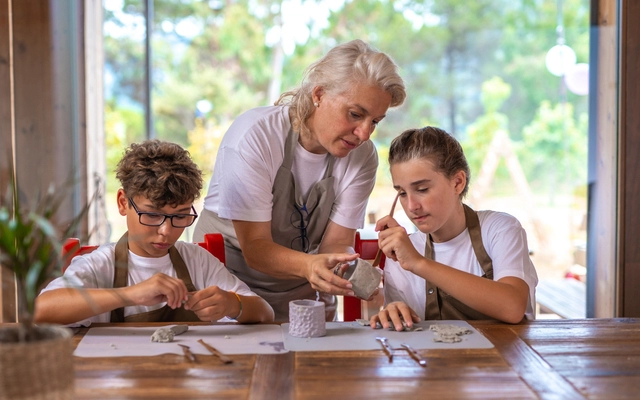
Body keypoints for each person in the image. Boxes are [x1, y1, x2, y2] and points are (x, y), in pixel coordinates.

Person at [193, 39, 406, 320]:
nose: (365, 134)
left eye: (375, 121)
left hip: (304, 294)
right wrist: (310, 266)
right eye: (355, 114)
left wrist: (357, 274)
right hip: (230, 293)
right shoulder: (256, 135)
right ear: (319, 94)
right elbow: (256, 249)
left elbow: (336, 244)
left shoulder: (362, 156)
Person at [35, 140, 274, 326]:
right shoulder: (100, 265)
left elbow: (265, 312)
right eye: (151, 214)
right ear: (122, 203)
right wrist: (129, 295)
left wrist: (233, 305)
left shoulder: (197, 261)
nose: (166, 232)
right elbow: (41, 311)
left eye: (180, 216)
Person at [370, 126, 538, 331]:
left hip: (505, 360)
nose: (412, 206)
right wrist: (394, 310)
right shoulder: (402, 253)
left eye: (422, 189)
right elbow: (404, 327)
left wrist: (419, 263)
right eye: (402, 193)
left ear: (458, 182)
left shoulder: (499, 229)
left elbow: (512, 307)